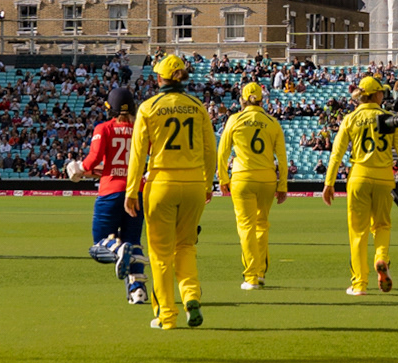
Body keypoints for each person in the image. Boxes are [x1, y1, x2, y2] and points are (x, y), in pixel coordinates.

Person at [125, 53, 217, 330]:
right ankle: (191, 296)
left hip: (161, 183)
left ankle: (166, 314)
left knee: (161, 254)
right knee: (186, 246)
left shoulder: (149, 107)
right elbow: (210, 149)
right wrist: (207, 183)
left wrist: (131, 190)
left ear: (159, 78)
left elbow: (138, 153)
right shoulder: (197, 106)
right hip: (193, 184)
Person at [321, 75, 398, 296]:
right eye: (382, 92)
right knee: (382, 226)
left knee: (358, 232)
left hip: (359, 175)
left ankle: (359, 284)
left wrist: (329, 182)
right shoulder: (390, 118)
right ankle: (381, 257)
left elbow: (336, 153)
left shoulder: (350, 118)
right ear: (376, 95)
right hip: (384, 177)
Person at [74, 86, 148, 305]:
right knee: (133, 242)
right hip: (135, 191)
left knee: (99, 243)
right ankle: (137, 290)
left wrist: (79, 168)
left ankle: (117, 249)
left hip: (110, 192)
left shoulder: (104, 128)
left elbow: (94, 158)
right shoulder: (140, 128)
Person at [217, 81, 288, 290]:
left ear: (242, 100)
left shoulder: (234, 119)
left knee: (246, 227)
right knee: (262, 225)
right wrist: (282, 185)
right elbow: (282, 158)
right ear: (262, 100)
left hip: (243, 177)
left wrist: (223, 178)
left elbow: (223, 152)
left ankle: (251, 276)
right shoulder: (272, 122)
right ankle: (261, 272)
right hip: (267, 178)